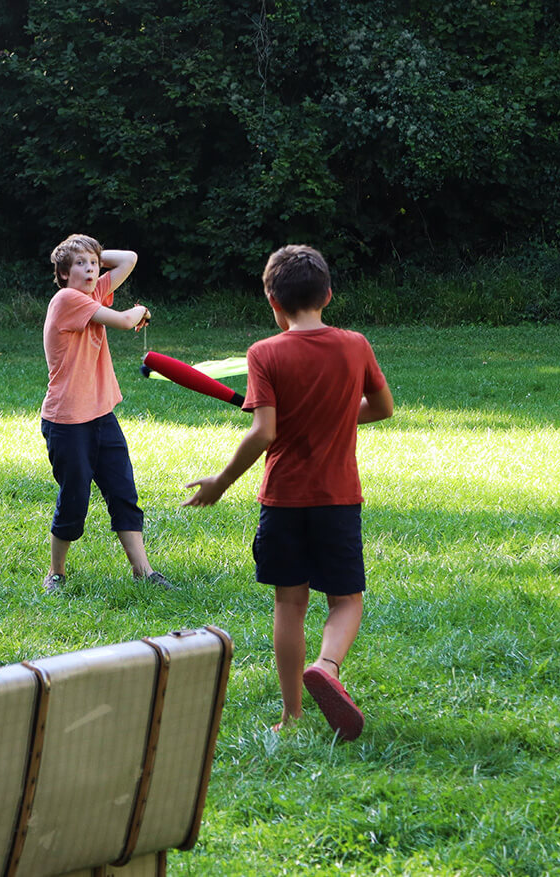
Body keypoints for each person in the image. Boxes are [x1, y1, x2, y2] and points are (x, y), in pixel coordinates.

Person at [183, 244, 393, 739]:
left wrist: (220, 481)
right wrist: (335, 419)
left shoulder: (265, 352)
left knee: (289, 604)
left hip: (283, 500)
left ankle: (292, 715)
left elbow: (263, 432)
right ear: (329, 295)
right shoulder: (355, 345)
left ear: (272, 301)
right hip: (338, 497)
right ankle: (327, 665)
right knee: (345, 600)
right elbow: (382, 407)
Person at [39, 233, 173, 594]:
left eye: (93, 264)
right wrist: (140, 312)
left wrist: (88, 252)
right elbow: (127, 321)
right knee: (74, 497)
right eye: (79, 265)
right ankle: (56, 573)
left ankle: (143, 572)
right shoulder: (67, 299)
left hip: (101, 414)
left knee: (122, 490)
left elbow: (128, 257)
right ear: (64, 274)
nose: (89, 269)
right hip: (67, 421)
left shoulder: (92, 292)